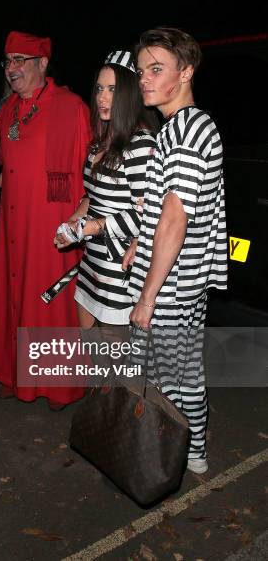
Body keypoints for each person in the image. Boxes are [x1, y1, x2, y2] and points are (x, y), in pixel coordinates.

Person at [127, 27, 228, 474]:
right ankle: (195, 453)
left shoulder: (186, 131)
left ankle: (160, 460)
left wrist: (147, 297)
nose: (144, 79)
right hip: (184, 283)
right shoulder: (186, 127)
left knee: (160, 378)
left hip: (169, 287)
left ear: (185, 72)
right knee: (185, 372)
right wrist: (139, 238)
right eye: (142, 70)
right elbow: (165, 209)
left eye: (156, 69)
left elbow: (175, 217)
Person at [0, 31, 91, 409]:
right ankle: (17, 373)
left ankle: (56, 385)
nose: (12, 69)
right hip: (13, 226)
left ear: (43, 64)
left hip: (52, 227)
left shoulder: (72, 107)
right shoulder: (6, 111)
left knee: (50, 304)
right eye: (8, 61)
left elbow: (89, 176)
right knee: (14, 297)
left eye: (20, 61)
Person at [54, 50, 158, 343]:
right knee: (92, 358)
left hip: (119, 267)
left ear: (129, 94)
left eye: (112, 89)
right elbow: (91, 197)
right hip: (92, 262)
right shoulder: (100, 141)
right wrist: (72, 226)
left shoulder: (140, 145)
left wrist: (93, 227)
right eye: (99, 88)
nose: (102, 97)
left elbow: (148, 213)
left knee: (114, 368)